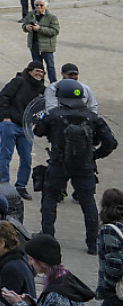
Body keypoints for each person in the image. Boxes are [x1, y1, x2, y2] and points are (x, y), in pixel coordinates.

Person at [35, 78, 117, 253]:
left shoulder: (54, 114)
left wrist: (44, 118)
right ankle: (93, 243)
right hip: (85, 166)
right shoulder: (92, 117)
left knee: (50, 199)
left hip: (58, 164)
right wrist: (94, 155)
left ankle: (47, 237)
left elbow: (38, 131)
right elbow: (111, 142)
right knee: (88, 203)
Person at [0, 61, 47, 201]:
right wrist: (5, 117)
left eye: (42, 72)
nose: (40, 74)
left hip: (26, 128)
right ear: (30, 71)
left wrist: (35, 121)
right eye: (37, 71)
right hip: (10, 124)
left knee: (26, 158)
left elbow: (42, 107)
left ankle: (21, 186)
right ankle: (4, 186)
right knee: (6, 156)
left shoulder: (42, 89)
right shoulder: (18, 81)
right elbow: (3, 96)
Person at [22, 0, 60, 83]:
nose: (38, 7)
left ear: (45, 6)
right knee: (37, 67)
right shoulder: (31, 15)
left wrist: (40, 29)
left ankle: (53, 83)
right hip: (34, 44)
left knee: (50, 66)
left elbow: (55, 31)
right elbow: (24, 25)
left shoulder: (51, 17)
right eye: (36, 5)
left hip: (46, 45)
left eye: (41, 5)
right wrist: (26, 27)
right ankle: (39, 83)